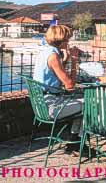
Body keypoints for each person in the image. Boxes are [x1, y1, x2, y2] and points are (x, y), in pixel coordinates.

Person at [32, 25, 83, 153]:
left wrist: (64, 60)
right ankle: (76, 143)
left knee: (82, 101)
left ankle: (74, 140)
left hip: (41, 103)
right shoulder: (54, 56)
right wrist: (74, 61)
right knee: (90, 105)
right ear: (62, 40)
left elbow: (53, 72)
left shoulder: (45, 52)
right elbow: (70, 86)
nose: (69, 42)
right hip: (50, 107)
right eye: (68, 39)